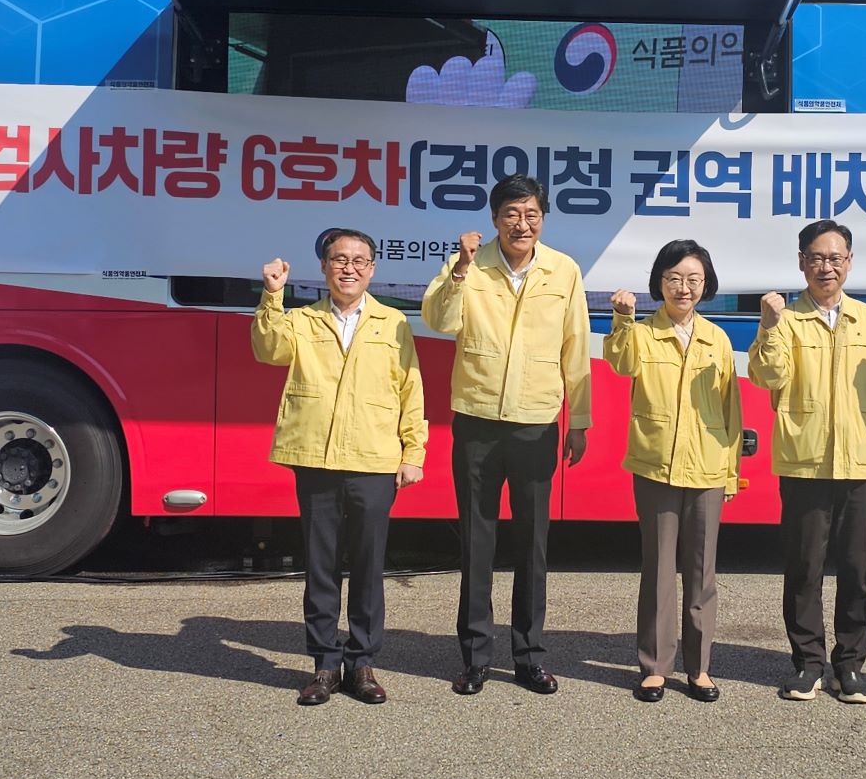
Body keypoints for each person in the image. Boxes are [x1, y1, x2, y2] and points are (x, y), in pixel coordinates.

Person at [421, 174, 591, 695]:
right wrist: (461, 269)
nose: (523, 223)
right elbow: (438, 319)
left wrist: (577, 421)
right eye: (512, 215)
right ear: (494, 220)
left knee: (532, 545)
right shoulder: (469, 266)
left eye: (532, 213)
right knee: (477, 541)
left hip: (537, 421)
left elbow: (576, 346)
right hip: (476, 420)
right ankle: (474, 656)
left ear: (543, 218)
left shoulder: (563, 270)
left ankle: (529, 656)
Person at [251, 228, 426, 706]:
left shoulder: (392, 323)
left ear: (372, 270)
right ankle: (326, 665)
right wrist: (272, 295)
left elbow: (411, 389)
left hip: (373, 459)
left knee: (369, 568)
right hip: (317, 458)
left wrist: (414, 453)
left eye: (359, 260)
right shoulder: (302, 320)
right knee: (321, 566)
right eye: (339, 259)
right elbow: (268, 350)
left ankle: (363, 664)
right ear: (325, 268)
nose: (349, 267)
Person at [748, 219, 866, 704]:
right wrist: (771, 326)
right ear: (801, 262)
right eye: (816, 258)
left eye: (835, 258)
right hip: (804, 461)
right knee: (804, 567)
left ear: (850, 262)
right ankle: (808, 664)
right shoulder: (785, 318)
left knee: (859, 568)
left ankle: (851, 665)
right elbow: (765, 375)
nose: (826, 267)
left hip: (860, 463)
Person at [605, 240, 742, 704]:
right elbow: (619, 364)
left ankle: (699, 668)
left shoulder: (717, 339)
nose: (684, 288)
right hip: (655, 467)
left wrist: (730, 473)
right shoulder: (642, 333)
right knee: (659, 569)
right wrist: (622, 318)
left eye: (693, 279)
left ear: (707, 285)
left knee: (702, 573)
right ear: (659, 283)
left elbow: (731, 412)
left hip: (706, 468)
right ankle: (654, 667)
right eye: (674, 278)